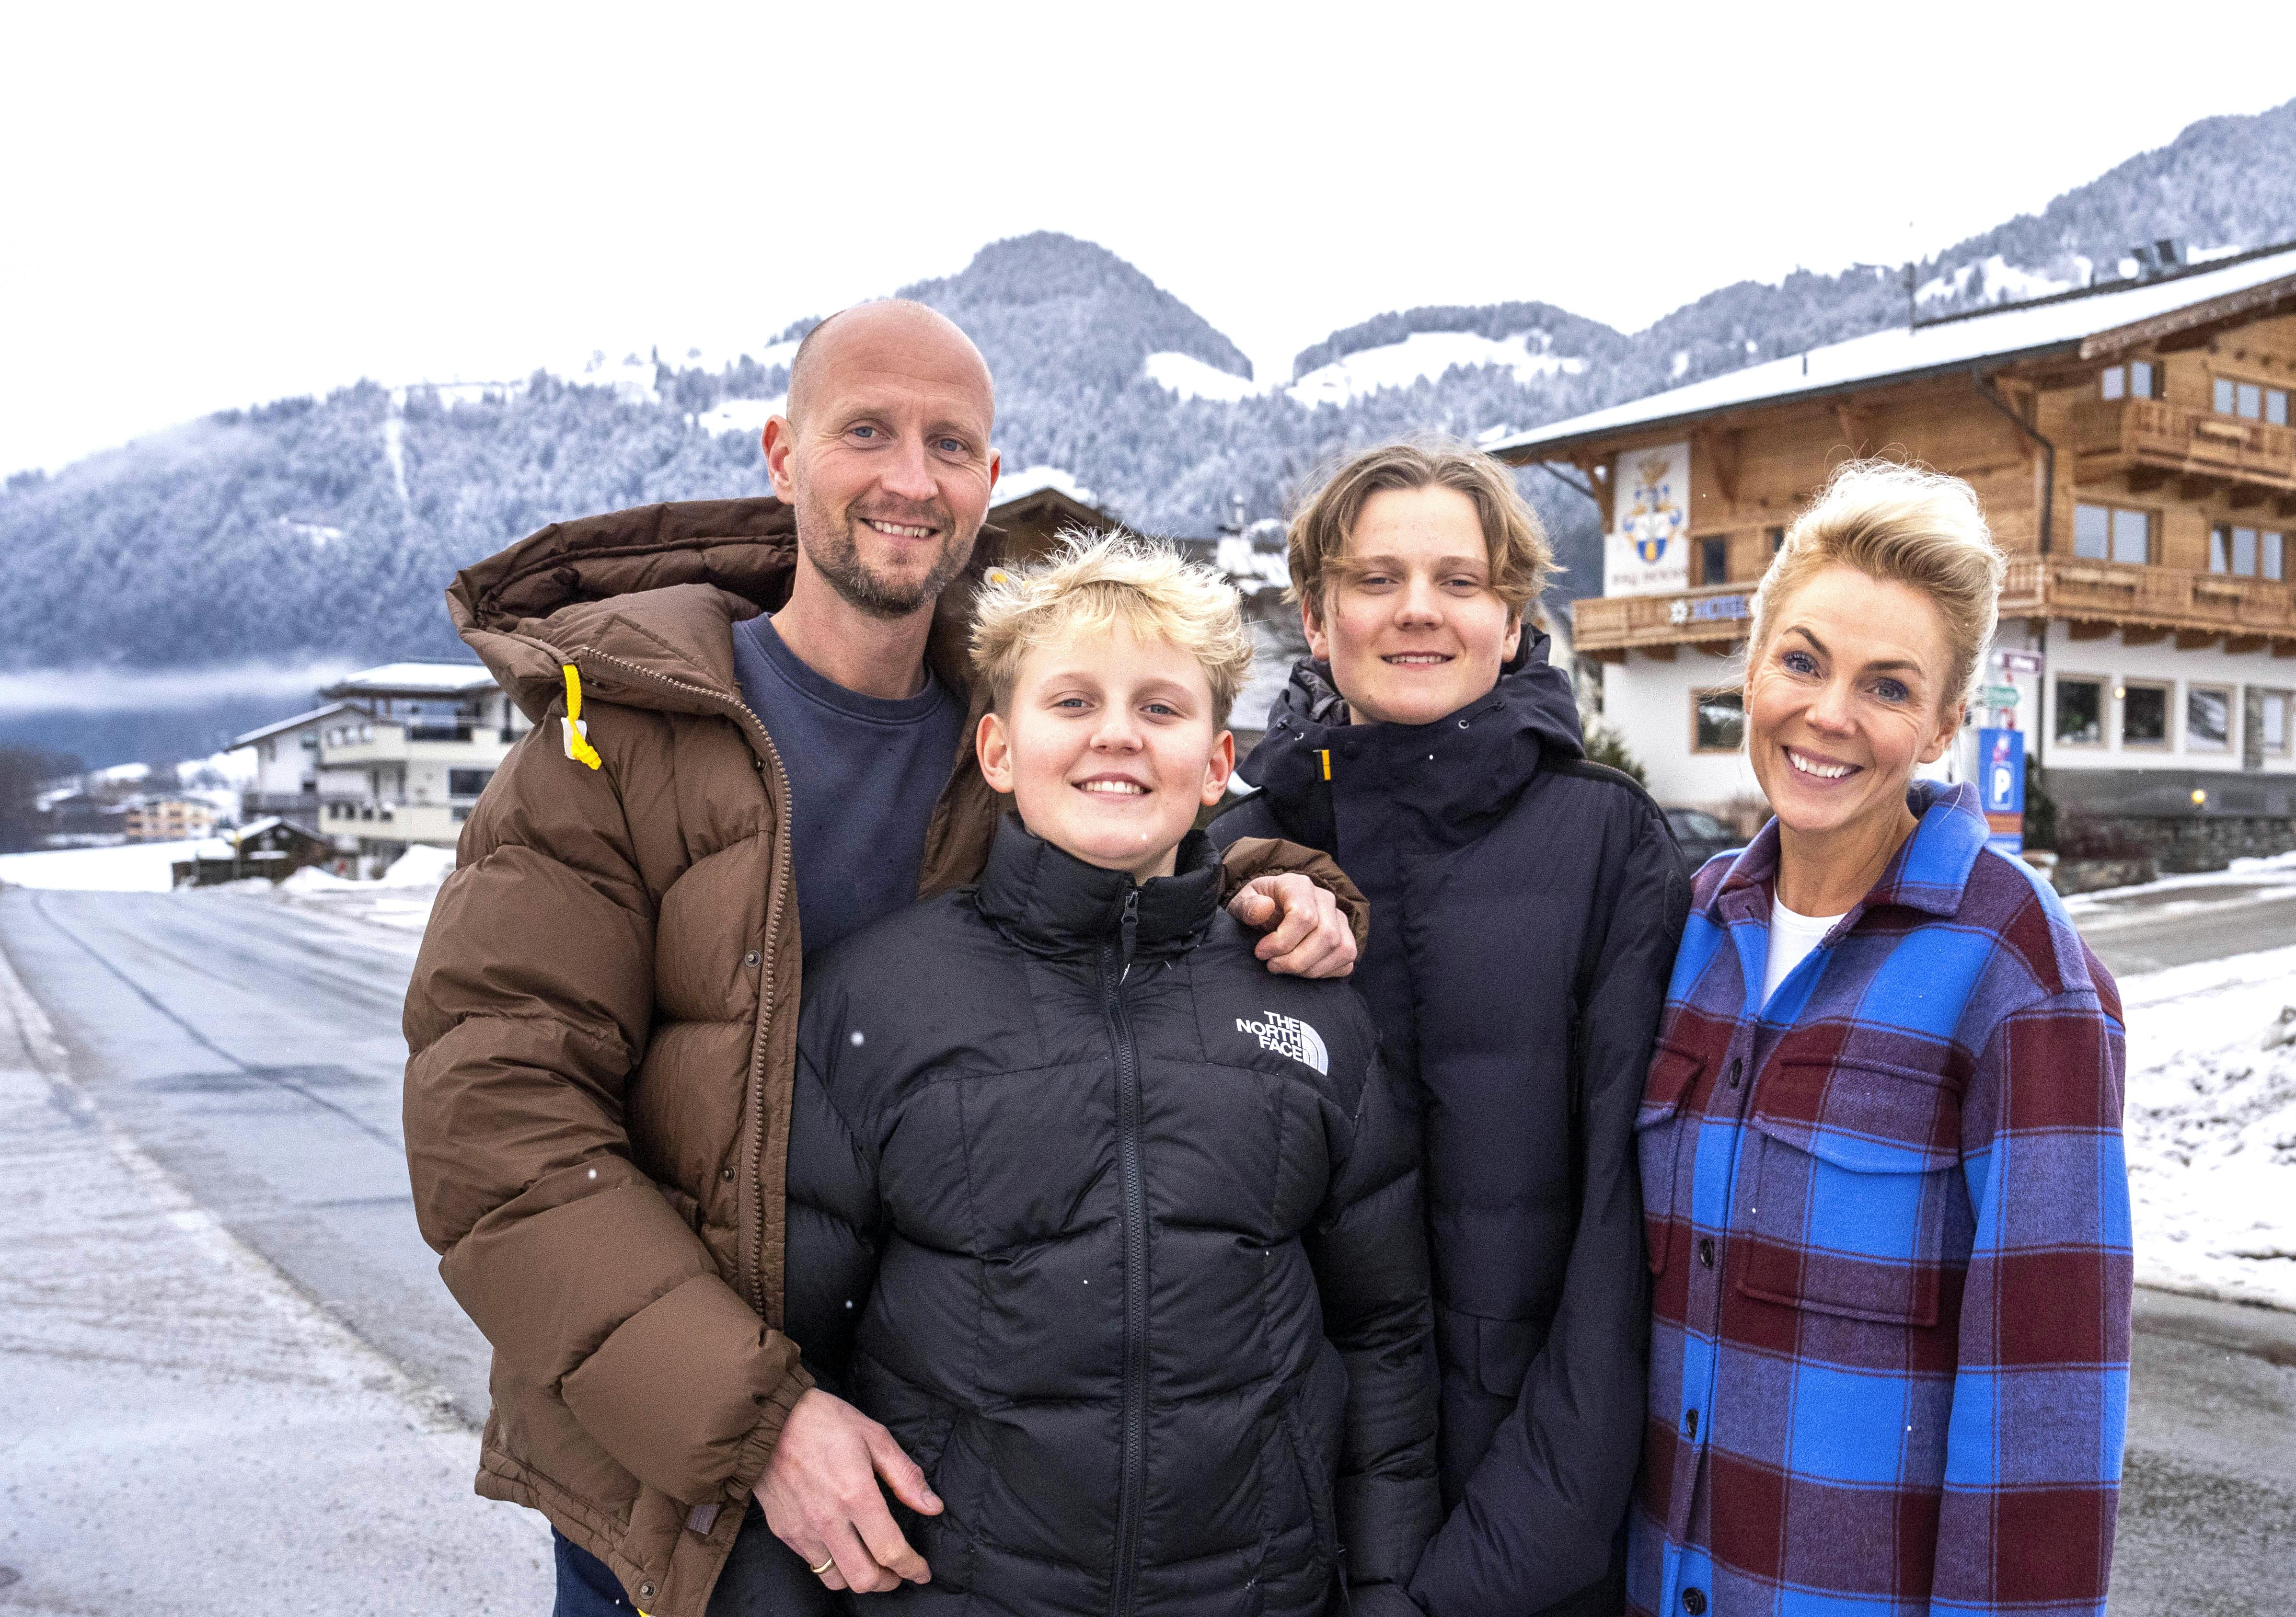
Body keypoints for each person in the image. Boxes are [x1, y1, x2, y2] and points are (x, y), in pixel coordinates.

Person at [402, 299, 1362, 1617]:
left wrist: (1276, 887)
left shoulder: (1017, 721)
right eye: (869, 432)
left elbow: (1151, 866)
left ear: (988, 481)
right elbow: (495, 1131)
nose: (912, 479)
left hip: (939, 1470)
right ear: (783, 455)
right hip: (674, 1460)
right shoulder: (612, 746)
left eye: (952, 446)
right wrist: (758, 1421)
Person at [776, 533, 1440, 1614]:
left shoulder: (1305, 1000)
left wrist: (1387, 1592)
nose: (1118, 735)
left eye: (1162, 708)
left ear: (1220, 763)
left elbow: (1384, 1335)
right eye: (1073, 702)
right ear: (998, 748)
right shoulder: (878, 999)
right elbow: (798, 1346)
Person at [1627, 462, 2131, 1616]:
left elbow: (2046, 1404)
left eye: (1889, 685)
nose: (1830, 714)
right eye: (1802, 661)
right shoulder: (1688, 930)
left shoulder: (2014, 969)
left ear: (1948, 722)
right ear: (1751, 671)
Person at [1211, 439, 1689, 1617]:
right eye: (1376, 579)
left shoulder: (1608, 845)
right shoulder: (1229, 849)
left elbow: (1622, 1249)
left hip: (1528, 1540)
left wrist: (1497, 1565)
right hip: (1267, 1531)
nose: (1418, 609)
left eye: (1460, 581)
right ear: (1316, 620)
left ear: (1513, 618)